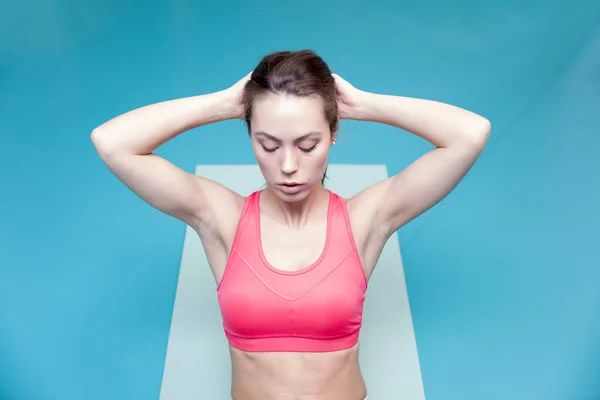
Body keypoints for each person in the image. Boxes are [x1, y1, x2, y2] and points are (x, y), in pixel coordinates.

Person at [91, 49, 491, 400]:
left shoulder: (364, 220)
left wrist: (364, 104)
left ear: (333, 134)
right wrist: (224, 104)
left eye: (307, 145)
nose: (287, 166)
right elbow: (112, 142)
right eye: (268, 144)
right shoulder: (222, 219)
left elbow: (470, 135)